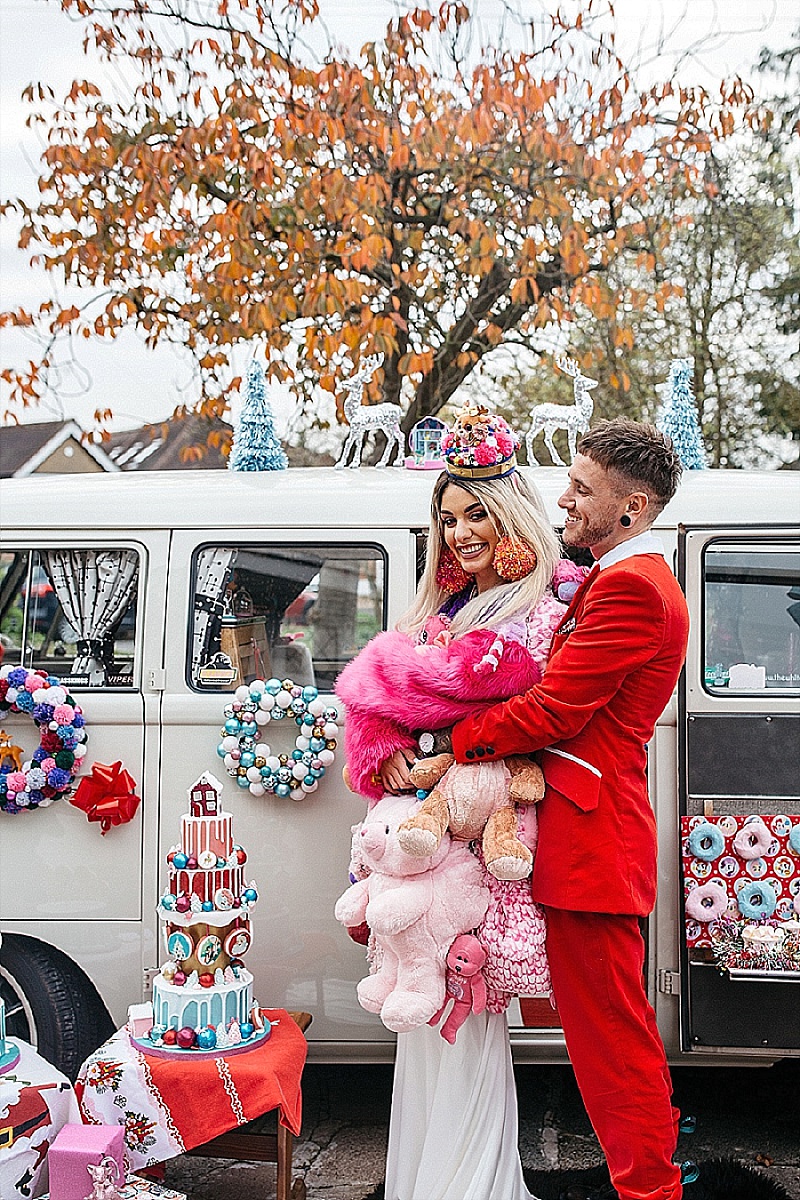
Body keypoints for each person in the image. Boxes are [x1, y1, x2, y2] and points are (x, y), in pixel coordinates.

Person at [442, 418, 690, 1200]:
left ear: (632, 507)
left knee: (610, 1041)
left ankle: (651, 1191)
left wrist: (453, 739)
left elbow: (557, 709)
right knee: (608, 1035)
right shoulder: (619, 578)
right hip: (587, 832)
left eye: (583, 489)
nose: (564, 500)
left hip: (593, 838)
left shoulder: (631, 587)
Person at [336, 404, 568, 1200]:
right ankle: (427, 1180)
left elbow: (517, 721)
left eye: (476, 514)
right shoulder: (441, 613)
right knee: (420, 1012)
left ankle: (469, 1183)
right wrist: (384, 749)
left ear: (510, 516)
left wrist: (428, 732)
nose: (461, 532)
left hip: (477, 851)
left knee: (463, 1012)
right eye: (448, 518)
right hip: (417, 846)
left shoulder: (542, 613)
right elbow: (372, 708)